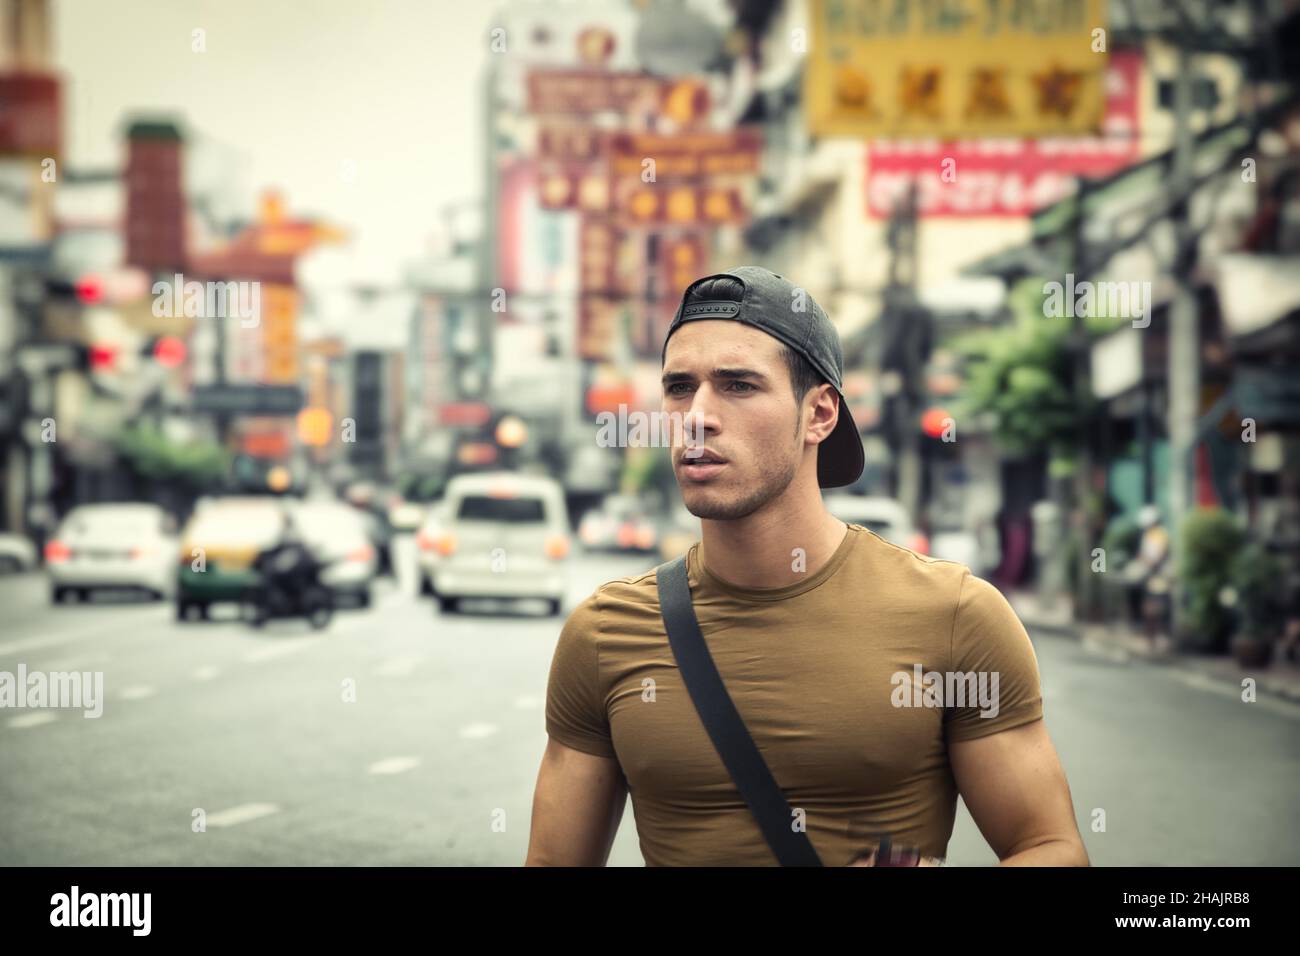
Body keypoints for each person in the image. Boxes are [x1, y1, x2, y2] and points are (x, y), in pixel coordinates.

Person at [525, 267, 1089, 867]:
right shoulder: (603, 633)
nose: (698, 414)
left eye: (738, 385)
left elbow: (1050, 847)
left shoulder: (954, 614)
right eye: (680, 387)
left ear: (819, 414)